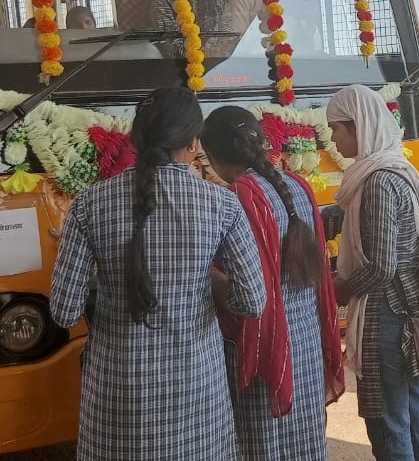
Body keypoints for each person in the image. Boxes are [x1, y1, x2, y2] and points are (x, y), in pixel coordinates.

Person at [49, 87, 266, 460]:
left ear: (137, 138)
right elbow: (252, 301)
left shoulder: (89, 205)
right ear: (194, 142)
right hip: (198, 395)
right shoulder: (221, 205)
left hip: (119, 399)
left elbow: (64, 312)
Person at [200, 106, 346, 460]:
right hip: (306, 340)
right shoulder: (296, 184)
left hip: (268, 342)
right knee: (305, 441)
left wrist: (205, 273)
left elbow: (246, 290)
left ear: (214, 156)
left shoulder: (240, 196)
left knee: (265, 444)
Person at [327, 84, 419, 460]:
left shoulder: (377, 181)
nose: (332, 138)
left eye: (336, 129)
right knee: (411, 408)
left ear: (358, 126)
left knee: (388, 419)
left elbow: (380, 266)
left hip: (386, 314)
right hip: (403, 308)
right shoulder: (396, 170)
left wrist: (340, 289)